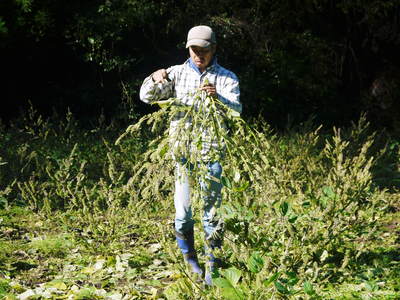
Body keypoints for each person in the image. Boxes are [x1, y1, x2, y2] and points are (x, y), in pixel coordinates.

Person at [139, 25, 242, 285]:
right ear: (188, 49)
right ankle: (190, 259)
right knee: (183, 213)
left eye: (204, 50)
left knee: (211, 214)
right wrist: (154, 78)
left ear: (214, 49)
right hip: (183, 153)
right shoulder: (175, 74)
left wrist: (218, 98)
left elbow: (236, 111)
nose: (199, 55)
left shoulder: (227, 78)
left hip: (211, 153)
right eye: (194, 50)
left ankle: (212, 267)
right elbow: (146, 96)